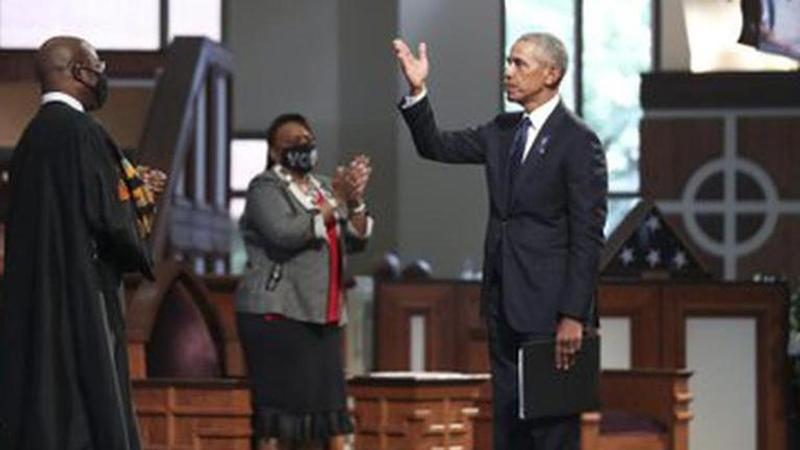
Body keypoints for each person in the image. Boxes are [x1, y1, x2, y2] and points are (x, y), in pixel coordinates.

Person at [393, 32, 607, 450]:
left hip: (551, 316)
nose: (507, 72)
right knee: (509, 431)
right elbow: (435, 145)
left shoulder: (579, 141)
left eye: (519, 64)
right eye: (508, 62)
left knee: (551, 433)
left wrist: (573, 315)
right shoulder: (502, 130)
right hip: (503, 305)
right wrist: (418, 90)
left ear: (552, 74)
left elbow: (587, 236)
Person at [0, 36, 165, 450]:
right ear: (78, 71)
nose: (102, 74)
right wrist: (134, 211)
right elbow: (108, 219)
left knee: (43, 398)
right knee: (87, 402)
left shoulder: (31, 140)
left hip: (35, 297)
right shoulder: (86, 133)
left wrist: (125, 190)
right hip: (81, 293)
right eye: (97, 65)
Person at [235, 113, 373, 450]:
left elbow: (357, 238)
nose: (302, 146)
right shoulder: (265, 187)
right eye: (292, 142)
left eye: (307, 140)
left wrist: (354, 199)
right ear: (273, 150)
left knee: (327, 413)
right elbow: (284, 234)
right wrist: (338, 201)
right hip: (279, 315)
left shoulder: (325, 186)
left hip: (321, 316)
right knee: (284, 416)